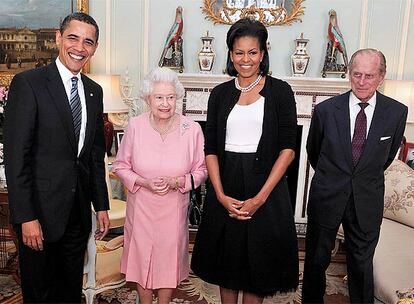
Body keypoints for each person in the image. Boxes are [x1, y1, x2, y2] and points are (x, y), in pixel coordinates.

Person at [191, 18, 299, 304]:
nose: (246, 59)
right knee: (228, 262)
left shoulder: (281, 92)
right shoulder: (219, 94)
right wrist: (219, 194)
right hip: (226, 185)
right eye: (239, 52)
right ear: (230, 54)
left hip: (266, 186)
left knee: (257, 266)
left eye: (253, 52)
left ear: (262, 54)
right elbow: (210, 148)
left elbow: (288, 148)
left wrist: (260, 198)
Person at [4, 12, 110, 303]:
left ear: (94, 48)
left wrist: (101, 205)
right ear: (58, 39)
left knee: (68, 292)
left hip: (77, 216)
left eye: (88, 42)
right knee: (40, 293)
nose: (80, 47)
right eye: (73, 38)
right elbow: (16, 158)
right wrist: (26, 217)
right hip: (39, 216)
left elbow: (93, 155)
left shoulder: (93, 91)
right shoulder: (29, 84)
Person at [302, 49, 408, 303]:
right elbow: (313, 150)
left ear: (381, 77)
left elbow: (385, 156)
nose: (361, 82)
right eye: (356, 74)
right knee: (316, 260)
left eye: (369, 76)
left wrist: (359, 178)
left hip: (367, 199)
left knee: (361, 264)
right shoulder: (327, 110)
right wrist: (334, 177)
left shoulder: (396, 112)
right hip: (327, 195)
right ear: (349, 73)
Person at [112, 67, 207, 304]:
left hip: (174, 208)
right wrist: (143, 182)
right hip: (142, 206)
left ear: (177, 98)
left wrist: (178, 182)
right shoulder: (135, 126)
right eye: (159, 97)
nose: (165, 103)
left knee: (167, 261)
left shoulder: (192, 129)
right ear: (148, 99)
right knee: (142, 259)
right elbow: (120, 166)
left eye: (171, 97)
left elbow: (202, 171)